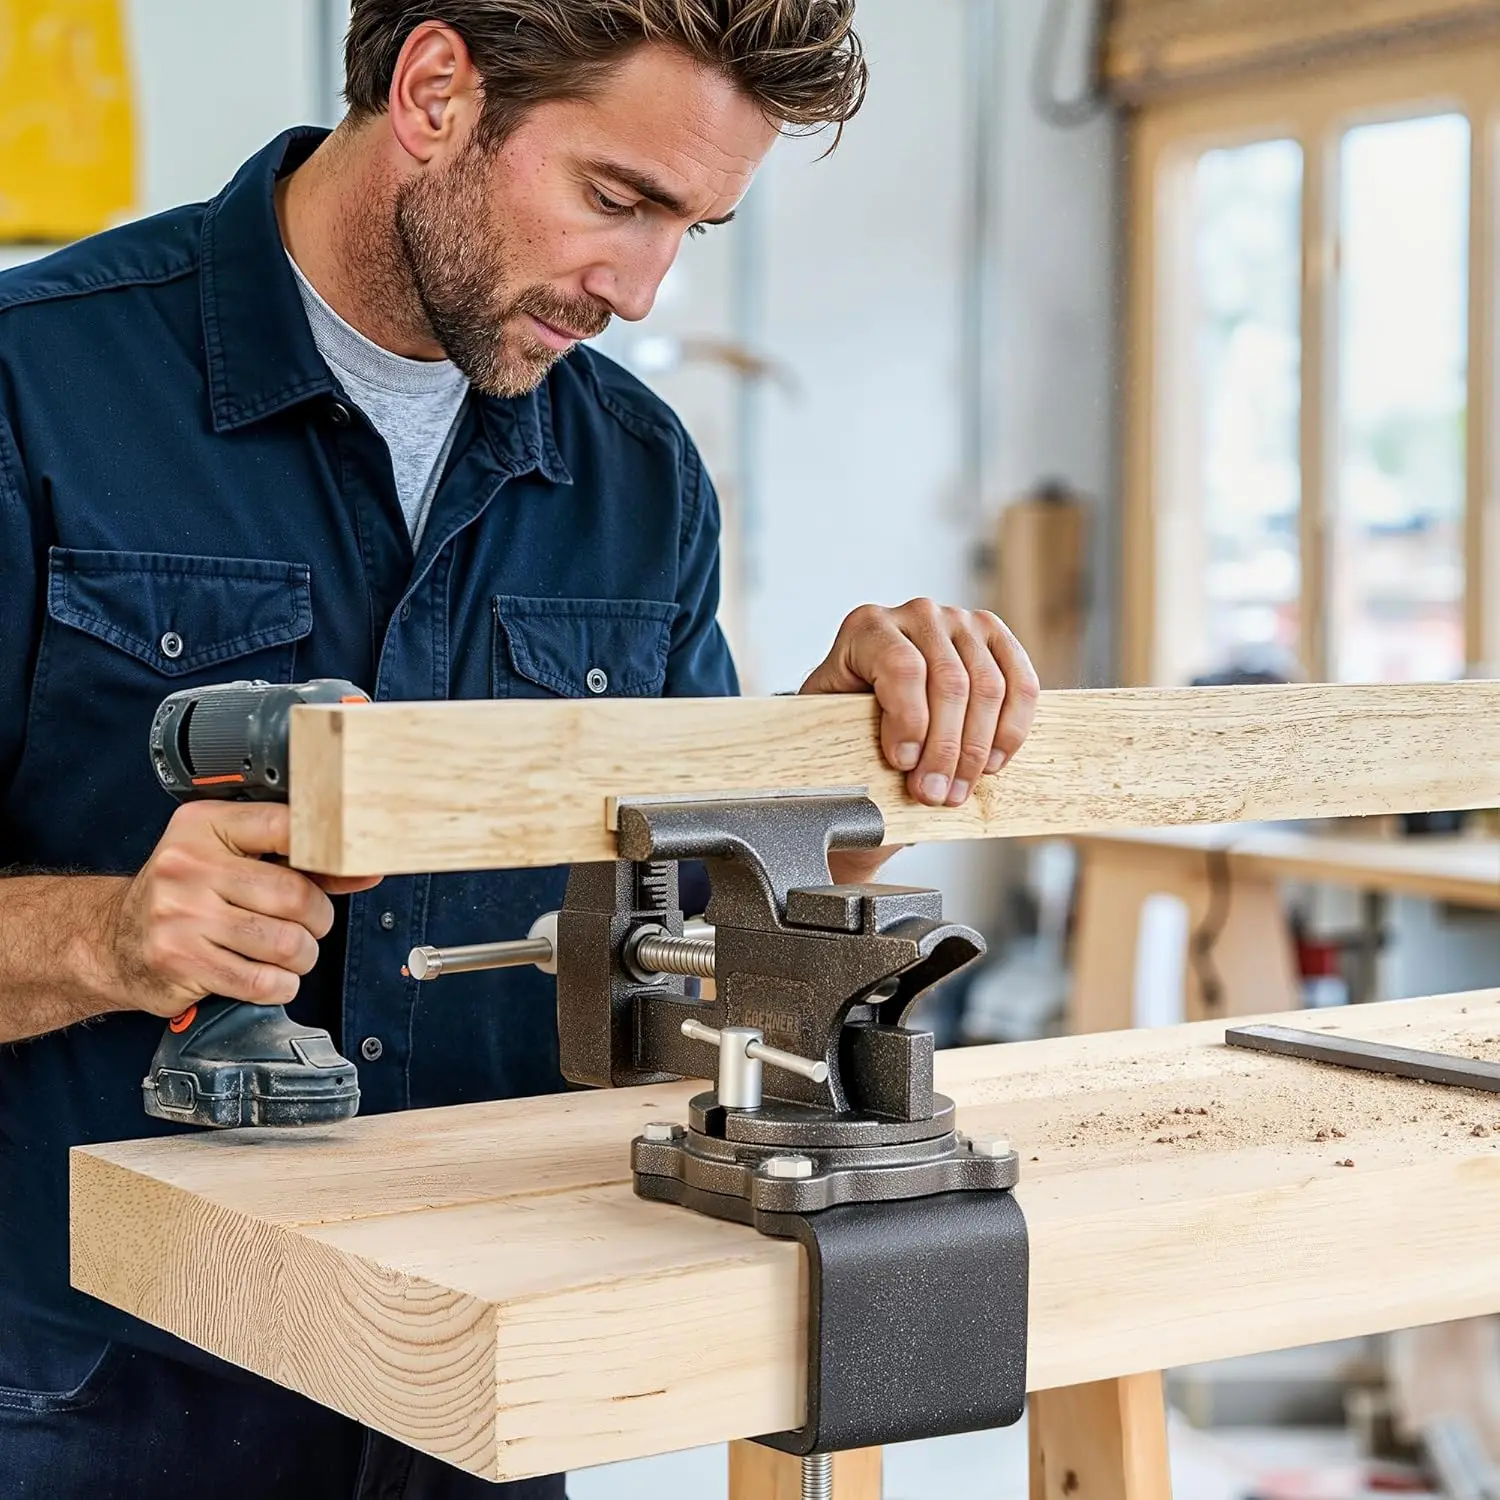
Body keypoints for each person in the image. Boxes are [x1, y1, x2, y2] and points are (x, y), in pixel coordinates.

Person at [0, 3, 1039, 1495]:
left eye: (693, 225)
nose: (641, 285)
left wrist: (837, 774)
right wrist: (109, 937)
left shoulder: (638, 475)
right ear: (434, 91)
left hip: (480, 1396)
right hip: (99, 1395)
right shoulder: (33, 393)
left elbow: (678, 926)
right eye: (617, 201)